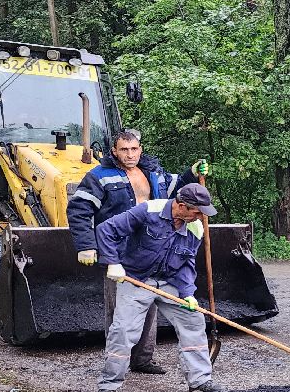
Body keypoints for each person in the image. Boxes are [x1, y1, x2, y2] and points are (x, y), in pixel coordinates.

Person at [68, 128, 209, 374]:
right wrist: (86, 245)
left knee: (150, 308)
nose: (130, 154)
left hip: (153, 247)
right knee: (121, 314)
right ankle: (116, 362)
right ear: (114, 151)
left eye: (134, 149)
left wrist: (192, 174)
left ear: (140, 150)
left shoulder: (153, 173)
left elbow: (177, 191)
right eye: (124, 149)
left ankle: (142, 359)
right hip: (120, 253)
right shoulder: (99, 176)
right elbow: (79, 209)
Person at [94, 183, 224, 392]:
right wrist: (113, 262)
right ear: (181, 206)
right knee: (124, 331)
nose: (202, 217)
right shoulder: (147, 211)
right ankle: (108, 386)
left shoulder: (195, 227)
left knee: (193, 320)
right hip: (136, 279)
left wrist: (187, 292)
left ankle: (200, 381)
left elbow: (186, 262)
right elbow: (105, 230)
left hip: (169, 281)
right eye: (197, 212)